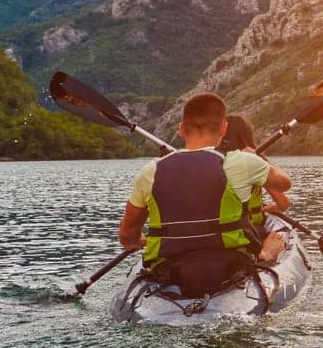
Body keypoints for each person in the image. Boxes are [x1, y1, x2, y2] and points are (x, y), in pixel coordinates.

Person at [116, 94, 294, 296]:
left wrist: (142, 240)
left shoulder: (151, 171)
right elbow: (285, 183)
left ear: (181, 129)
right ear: (223, 128)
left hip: (168, 269)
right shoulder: (243, 162)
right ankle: (267, 255)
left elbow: (127, 237)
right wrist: (259, 159)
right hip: (230, 265)